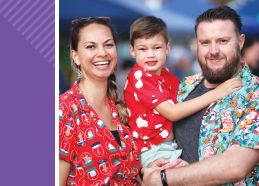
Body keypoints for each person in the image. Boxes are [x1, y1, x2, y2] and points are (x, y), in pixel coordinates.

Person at [142, 6, 259, 186]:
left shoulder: (254, 93)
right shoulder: (182, 87)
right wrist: (150, 164)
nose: (213, 50)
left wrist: (162, 179)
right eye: (205, 42)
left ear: (240, 41)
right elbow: (150, 130)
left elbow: (236, 165)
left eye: (222, 41)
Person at [123, 16, 242, 168]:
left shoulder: (167, 76)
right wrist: (215, 93)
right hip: (154, 151)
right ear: (132, 51)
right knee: (191, 175)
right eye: (142, 49)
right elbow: (172, 112)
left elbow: (184, 100)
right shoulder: (140, 77)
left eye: (157, 48)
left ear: (167, 48)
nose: (150, 54)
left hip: (168, 147)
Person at [59, 17, 140, 186]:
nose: (102, 52)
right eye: (91, 46)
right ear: (76, 57)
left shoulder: (121, 108)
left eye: (108, 44)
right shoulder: (64, 109)